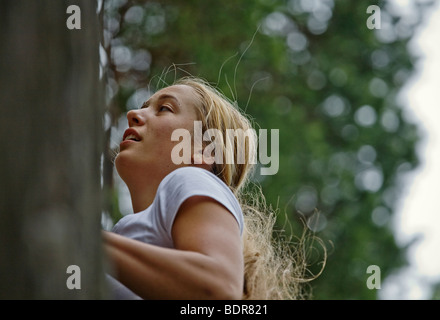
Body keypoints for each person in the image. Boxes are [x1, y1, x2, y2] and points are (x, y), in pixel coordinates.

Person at [103, 77, 318, 300]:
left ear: (206, 151)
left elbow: (219, 288)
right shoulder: (125, 237)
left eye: (164, 108)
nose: (133, 115)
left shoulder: (190, 177)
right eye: (143, 107)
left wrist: (87, 241)